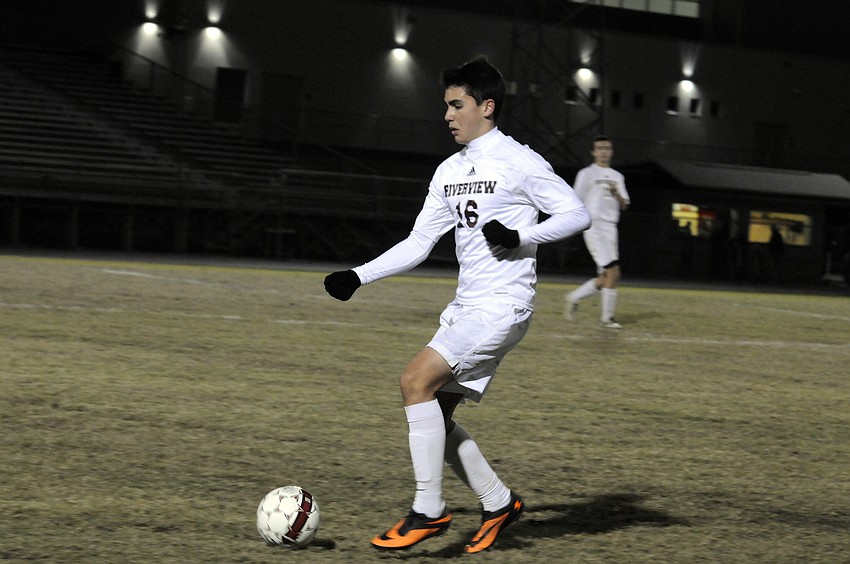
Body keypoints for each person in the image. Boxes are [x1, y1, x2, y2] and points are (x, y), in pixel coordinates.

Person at [323, 57, 590, 553]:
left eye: (456, 105)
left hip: (503, 306)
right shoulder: (449, 170)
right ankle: (499, 502)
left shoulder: (518, 160)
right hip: (466, 308)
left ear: (487, 107)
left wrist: (520, 234)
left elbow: (577, 214)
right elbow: (418, 243)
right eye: (445, 106)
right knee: (436, 417)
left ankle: (428, 510)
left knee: (414, 382)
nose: (447, 115)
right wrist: (359, 275)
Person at [564, 135, 630, 328]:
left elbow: (625, 204)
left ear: (611, 151)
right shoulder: (586, 174)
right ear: (593, 152)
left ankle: (573, 297)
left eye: (607, 148)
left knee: (606, 277)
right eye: (600, 148)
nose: (603, 151)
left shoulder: (618, 176)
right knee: (614, 273)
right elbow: (575, 199)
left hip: (611, 228)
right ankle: (607, 319)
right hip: (595, 226)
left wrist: (616, 193)